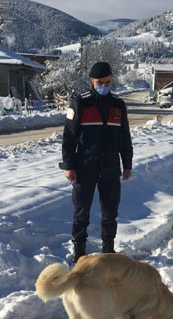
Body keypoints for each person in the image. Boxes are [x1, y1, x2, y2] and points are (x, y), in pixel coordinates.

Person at [59, 61, 133, 262]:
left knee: (110, 211)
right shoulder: (80, 102)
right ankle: (79, 254)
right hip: (85, 165)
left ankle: (108, 251)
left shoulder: (118, 105)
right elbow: (69, 138)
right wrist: (69, 165)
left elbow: (125, 137)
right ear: (91, 81)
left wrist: (127, 164)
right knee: (81, 211)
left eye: (108, 82)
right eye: (100, 82)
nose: (104, 86)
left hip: (110, 165)